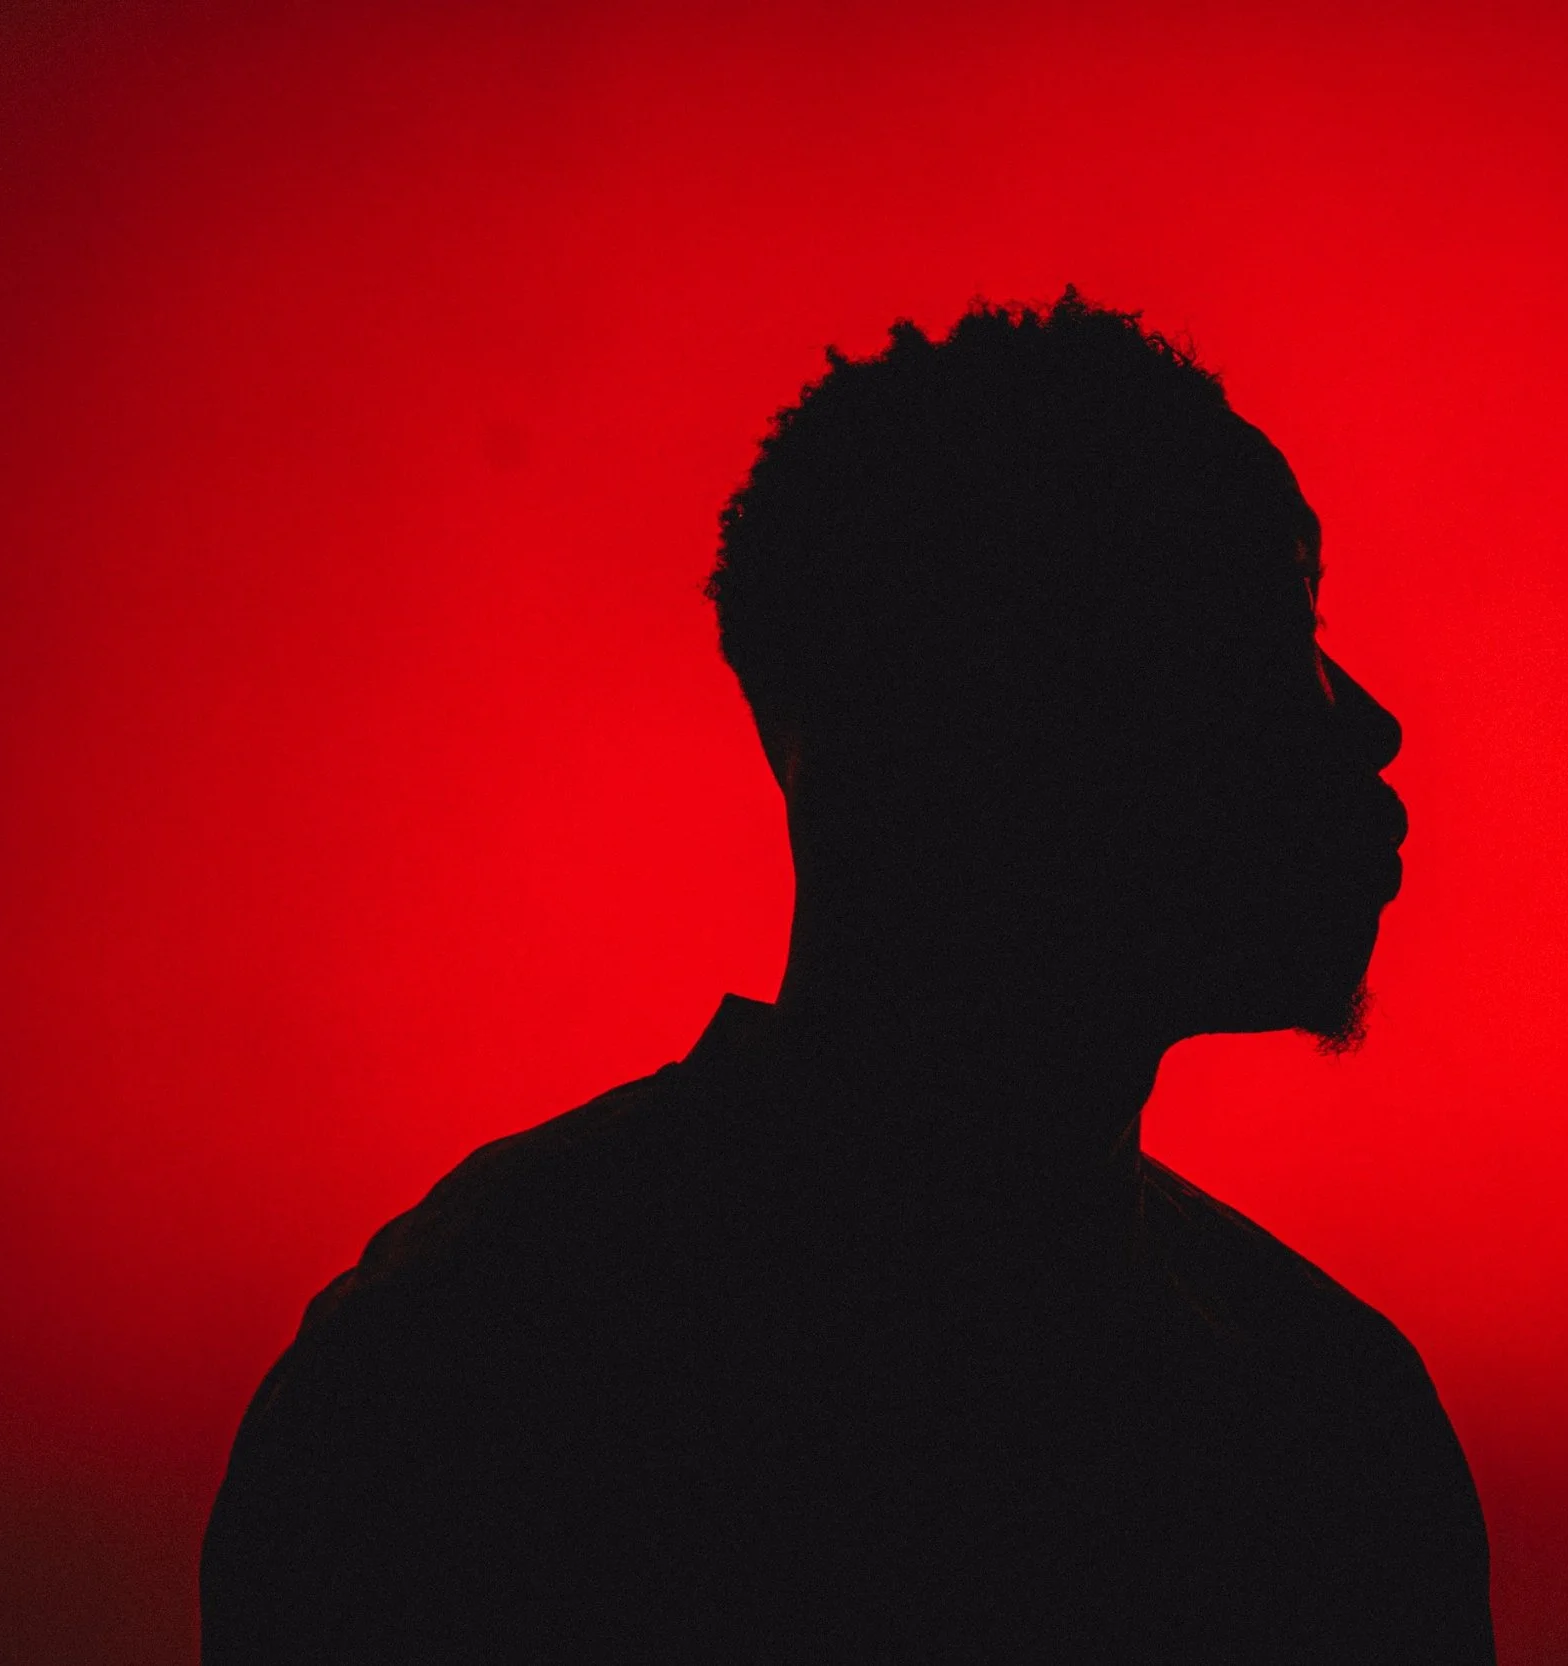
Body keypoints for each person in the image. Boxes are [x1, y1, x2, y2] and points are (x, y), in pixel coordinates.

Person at [201, 290, 1494, 1662]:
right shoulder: (1313, 1428)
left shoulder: (465, 1357)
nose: (1371, 721)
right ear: (1009, 714)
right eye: (1270, 632)